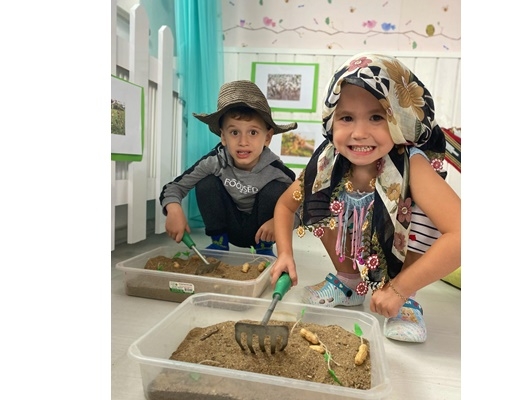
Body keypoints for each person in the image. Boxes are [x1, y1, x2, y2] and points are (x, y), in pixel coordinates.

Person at [269, 53, 461, 343]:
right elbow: (286, 205)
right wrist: (285, 254)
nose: (359, 133)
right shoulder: (327, 162)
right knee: (322, 197)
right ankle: (348, 281)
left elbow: (461, 234)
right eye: (346, 118)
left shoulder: (413, 166)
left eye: (376, 117)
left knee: (414, 216)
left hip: (404, 267)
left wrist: (399, 289)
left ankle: (406, 299)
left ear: (398, 119)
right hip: (359, 251)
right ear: (331, 120)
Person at [159, 80, 298, 257]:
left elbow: (302, 207)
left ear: (267, 137)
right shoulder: (214, 160)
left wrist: (280, 221)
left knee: (277, 189)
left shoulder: (278, 171)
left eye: (253, 132)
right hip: (228, 228)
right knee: (206, 182)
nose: (243, 142)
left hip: (263, 231)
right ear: (223, 137)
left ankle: (264, 248)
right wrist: (173, 208)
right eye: (234, 132)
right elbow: (174, 187)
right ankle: (219, 244)